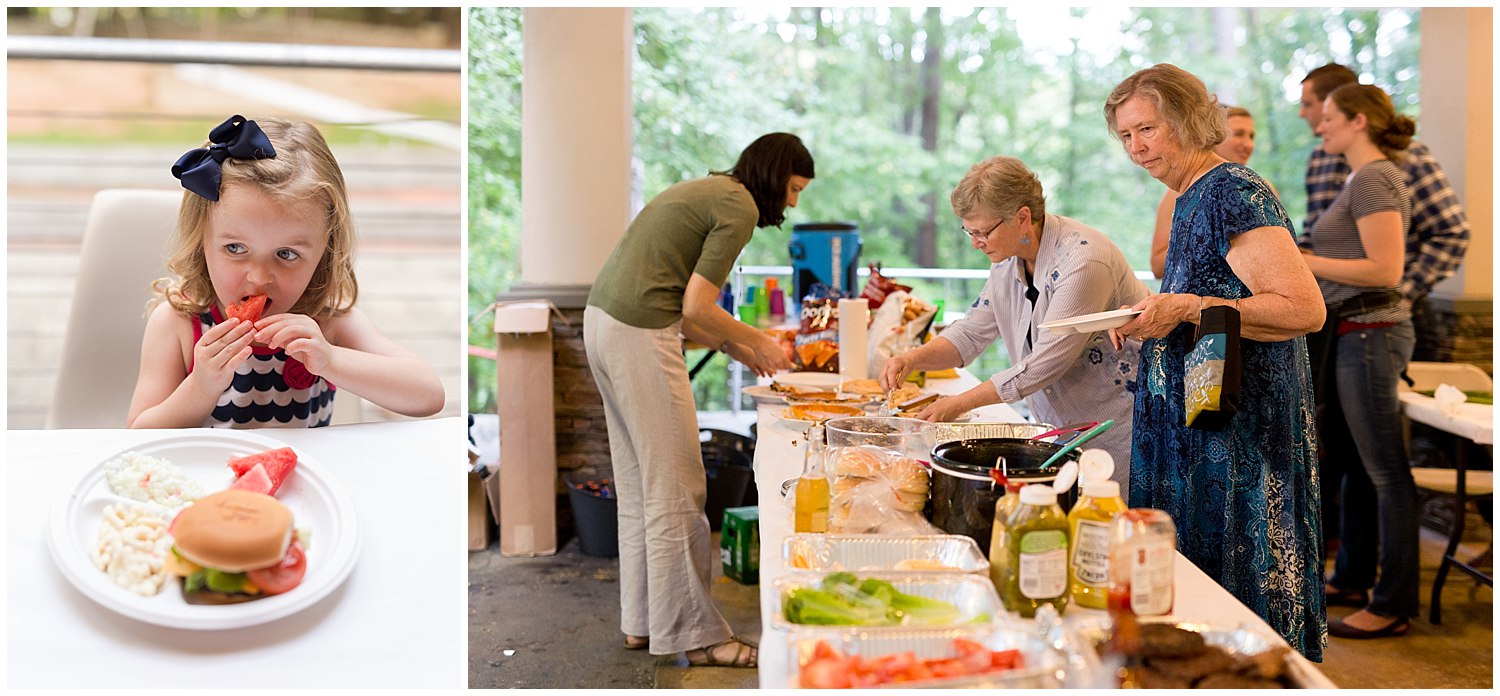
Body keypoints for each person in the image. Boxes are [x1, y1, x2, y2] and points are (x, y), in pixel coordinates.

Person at [1103, 64, 1328, 661]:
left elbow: (1304, 309)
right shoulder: (1187, 195)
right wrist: (1157, 316)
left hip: (1240, 436)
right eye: (1125, 136)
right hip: (1199, 428)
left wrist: (1187, 307)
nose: (1136, 147)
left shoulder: (1232, 191)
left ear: (1186, 119)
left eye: (1146, 129)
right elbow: (1205, 304)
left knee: (1239, 603)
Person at [583, 133, 810, 668]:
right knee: (680, 486)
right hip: (639, 331)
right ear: (777, 175)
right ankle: (697, 636)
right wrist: (757, 339)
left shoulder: (713, 191)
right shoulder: (741, 207)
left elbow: (690, 313)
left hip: (602, 323)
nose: (794, 202)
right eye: (795, 188)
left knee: (642, 485)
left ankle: (644, 622)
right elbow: (696, 305)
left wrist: (737, 346)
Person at [128, 115, 444, 428]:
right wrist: (201, 387)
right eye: (236, 249)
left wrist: (331, 360)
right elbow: (137, 432)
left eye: (286, 254)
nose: (260, 277)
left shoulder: (328, 322)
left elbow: (428, 395)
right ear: (202, 242)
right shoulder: (179, 323)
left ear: (325, 253)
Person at [879, 156, 1146, 487]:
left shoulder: (1084, 260)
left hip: (1122, 426)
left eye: (983, 232)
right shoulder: (1007, 259)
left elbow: (1045, 364)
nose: (976, 242)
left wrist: (958, 404)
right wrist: (912, 358)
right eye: (969, 232)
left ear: (1023, 218)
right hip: (1064, 426)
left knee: (1112, 524)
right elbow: (971, 333)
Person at [1301, 83, 1419, 640]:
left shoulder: (1376, 177)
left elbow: (1385, 269)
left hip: (1373, 330)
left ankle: (1393, 600)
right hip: (1352, 331)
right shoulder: (1360, 178)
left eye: (1328, 118)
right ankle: (1350, 578)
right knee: (1350, 467)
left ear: (1360, 120)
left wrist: (1306, 259)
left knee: (1386, 471)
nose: (1319, 127)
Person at [1297, 63, 1470, 357]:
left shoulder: (1405, 158)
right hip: (1337, 316)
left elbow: (1451, 232)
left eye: (1309, 104)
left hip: (1384, 318)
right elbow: (1313, 236)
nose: (1303, 113)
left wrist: (1401, 294)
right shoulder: (1319, 159)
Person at [1151, 105, 1275, 278]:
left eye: (1252, 136)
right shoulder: (1178, 192)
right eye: (1239, 134)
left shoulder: (1262, 188)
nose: (1248, 144)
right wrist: (1212, 242)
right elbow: (1157, 266)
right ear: (1215, 136)